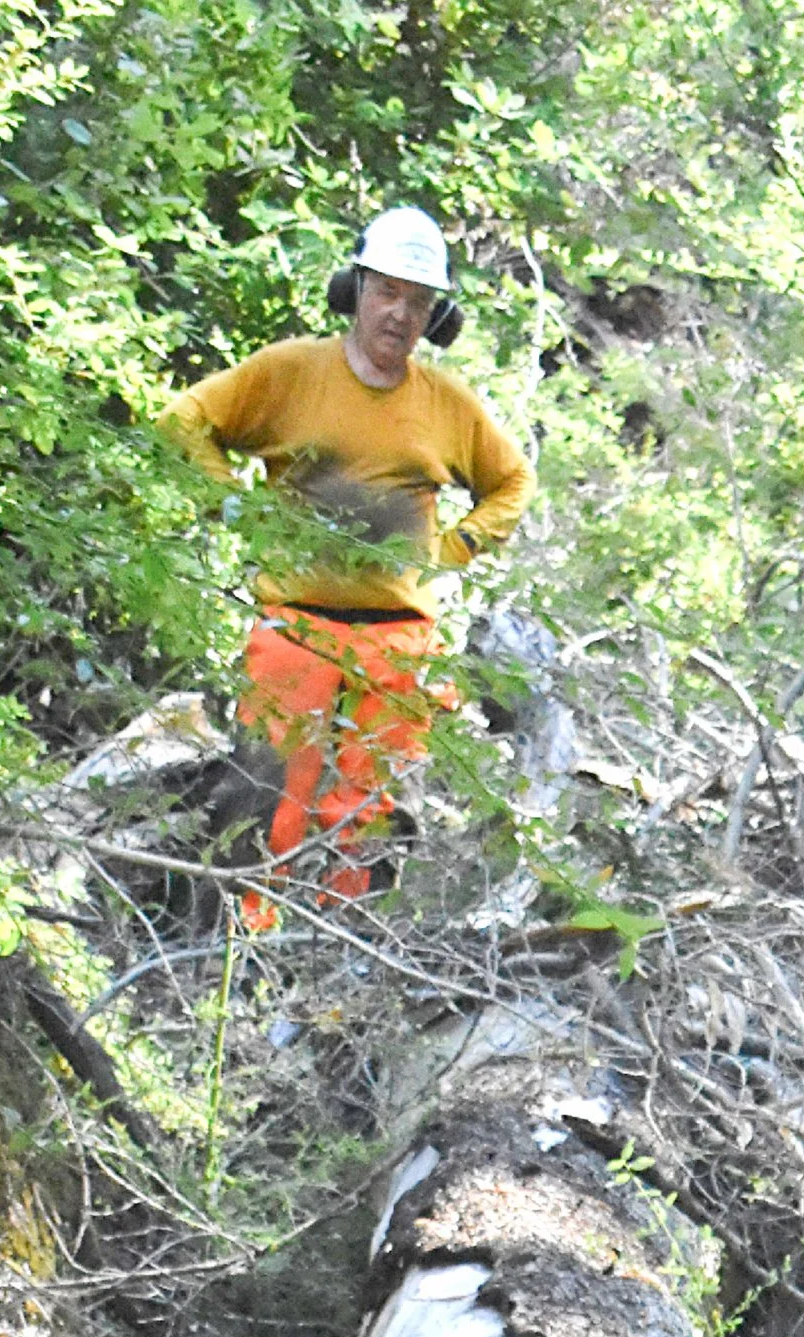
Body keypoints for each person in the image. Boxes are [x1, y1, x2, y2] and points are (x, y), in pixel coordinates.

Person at [162, 208, 534, 918]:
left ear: (437, 315)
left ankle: (340, 950)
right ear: (355, 288)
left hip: (397, 631)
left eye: (418, 301)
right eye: (387, 292)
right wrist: (231, 505)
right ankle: (245, 940)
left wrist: (460, 545)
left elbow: (512, 481)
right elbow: (184, 421)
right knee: (269, 790)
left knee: (364, 810)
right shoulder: (289, 372)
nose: (400, 314)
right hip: (295, 621)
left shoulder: (447, 405)